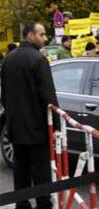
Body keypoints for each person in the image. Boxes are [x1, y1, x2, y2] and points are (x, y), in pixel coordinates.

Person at [1, 22, 58, 209]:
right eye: (42, 34)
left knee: (21, 169)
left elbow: (4, 95)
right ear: (30, 35)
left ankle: (22, 203)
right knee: (41, 170)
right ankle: (43, 204)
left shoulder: (8, 59)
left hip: (15, 126)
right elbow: (49, 97)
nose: (45, 38)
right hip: (37, 126)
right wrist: (56, 126)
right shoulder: (39, 60)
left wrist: (10, 119)